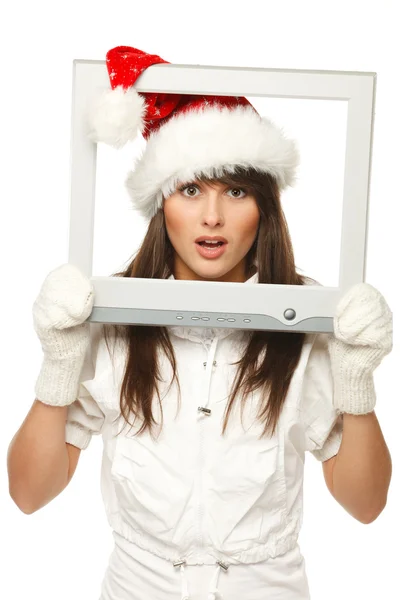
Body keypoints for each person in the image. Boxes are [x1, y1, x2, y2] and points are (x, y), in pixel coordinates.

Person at [7, 46, 393, 600]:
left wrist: (357, 382)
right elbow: (27, 493)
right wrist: (59, 364)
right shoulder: (109, 314)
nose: (212, 216)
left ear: (264, 207)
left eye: (235, 191)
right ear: (162, 202)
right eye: (191, 190)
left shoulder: (309, 320)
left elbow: (366, 505)